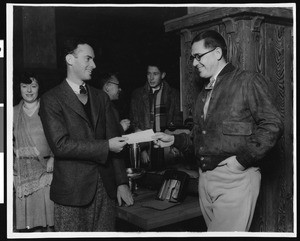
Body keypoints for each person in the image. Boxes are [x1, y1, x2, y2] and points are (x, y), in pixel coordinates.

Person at [153, 30, 283, 231]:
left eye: (198, 56)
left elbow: (272, 125)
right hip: (205, 179)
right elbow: (199, 138)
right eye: (192, 58)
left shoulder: (247, 81)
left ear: (217, 53)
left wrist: (241, 162)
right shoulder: (203, 94)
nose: (194, 63)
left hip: (235, 178)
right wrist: (175, 141)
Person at [39, 38, 133, 232]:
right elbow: (61, 145)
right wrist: (105, 146)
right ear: (70, 59)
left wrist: (122, 182)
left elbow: (116, 141)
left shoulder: (101, 97)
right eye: (88, 59)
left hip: (106, 191)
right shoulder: (51, 100)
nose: (94, 65)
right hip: (72, 194)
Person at [13, 73, 54, 232]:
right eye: (24, 86)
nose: (29, 90)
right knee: (28, 227)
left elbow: (60, 137)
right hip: (22, 173)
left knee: (49, 224)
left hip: (46, 172)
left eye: (33, 86)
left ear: (39, 88)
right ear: (19, 88)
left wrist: (53, 157)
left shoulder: (49, 108)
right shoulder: (12, 112)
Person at [130, 59, 182, 170]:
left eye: (155, 74)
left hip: (166, 144)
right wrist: (142, 149)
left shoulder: (173, 94)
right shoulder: (137, 95)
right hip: (147, 144)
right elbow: (135, 124)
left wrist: (175, 145)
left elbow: (177, 121)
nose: (151, 78)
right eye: (149, 74)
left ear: (163, 75)